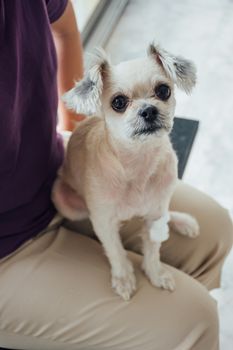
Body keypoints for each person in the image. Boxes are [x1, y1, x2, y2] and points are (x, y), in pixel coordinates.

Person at [0, 1, 232, 349]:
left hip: (52, 172)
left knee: (216, 228)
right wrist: (121, 268)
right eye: (121, 103)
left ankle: (168, 297)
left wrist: (75, 131)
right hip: (10, 243)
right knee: (193, 321)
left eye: (162, 93)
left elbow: (64, 29)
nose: (148, 108)